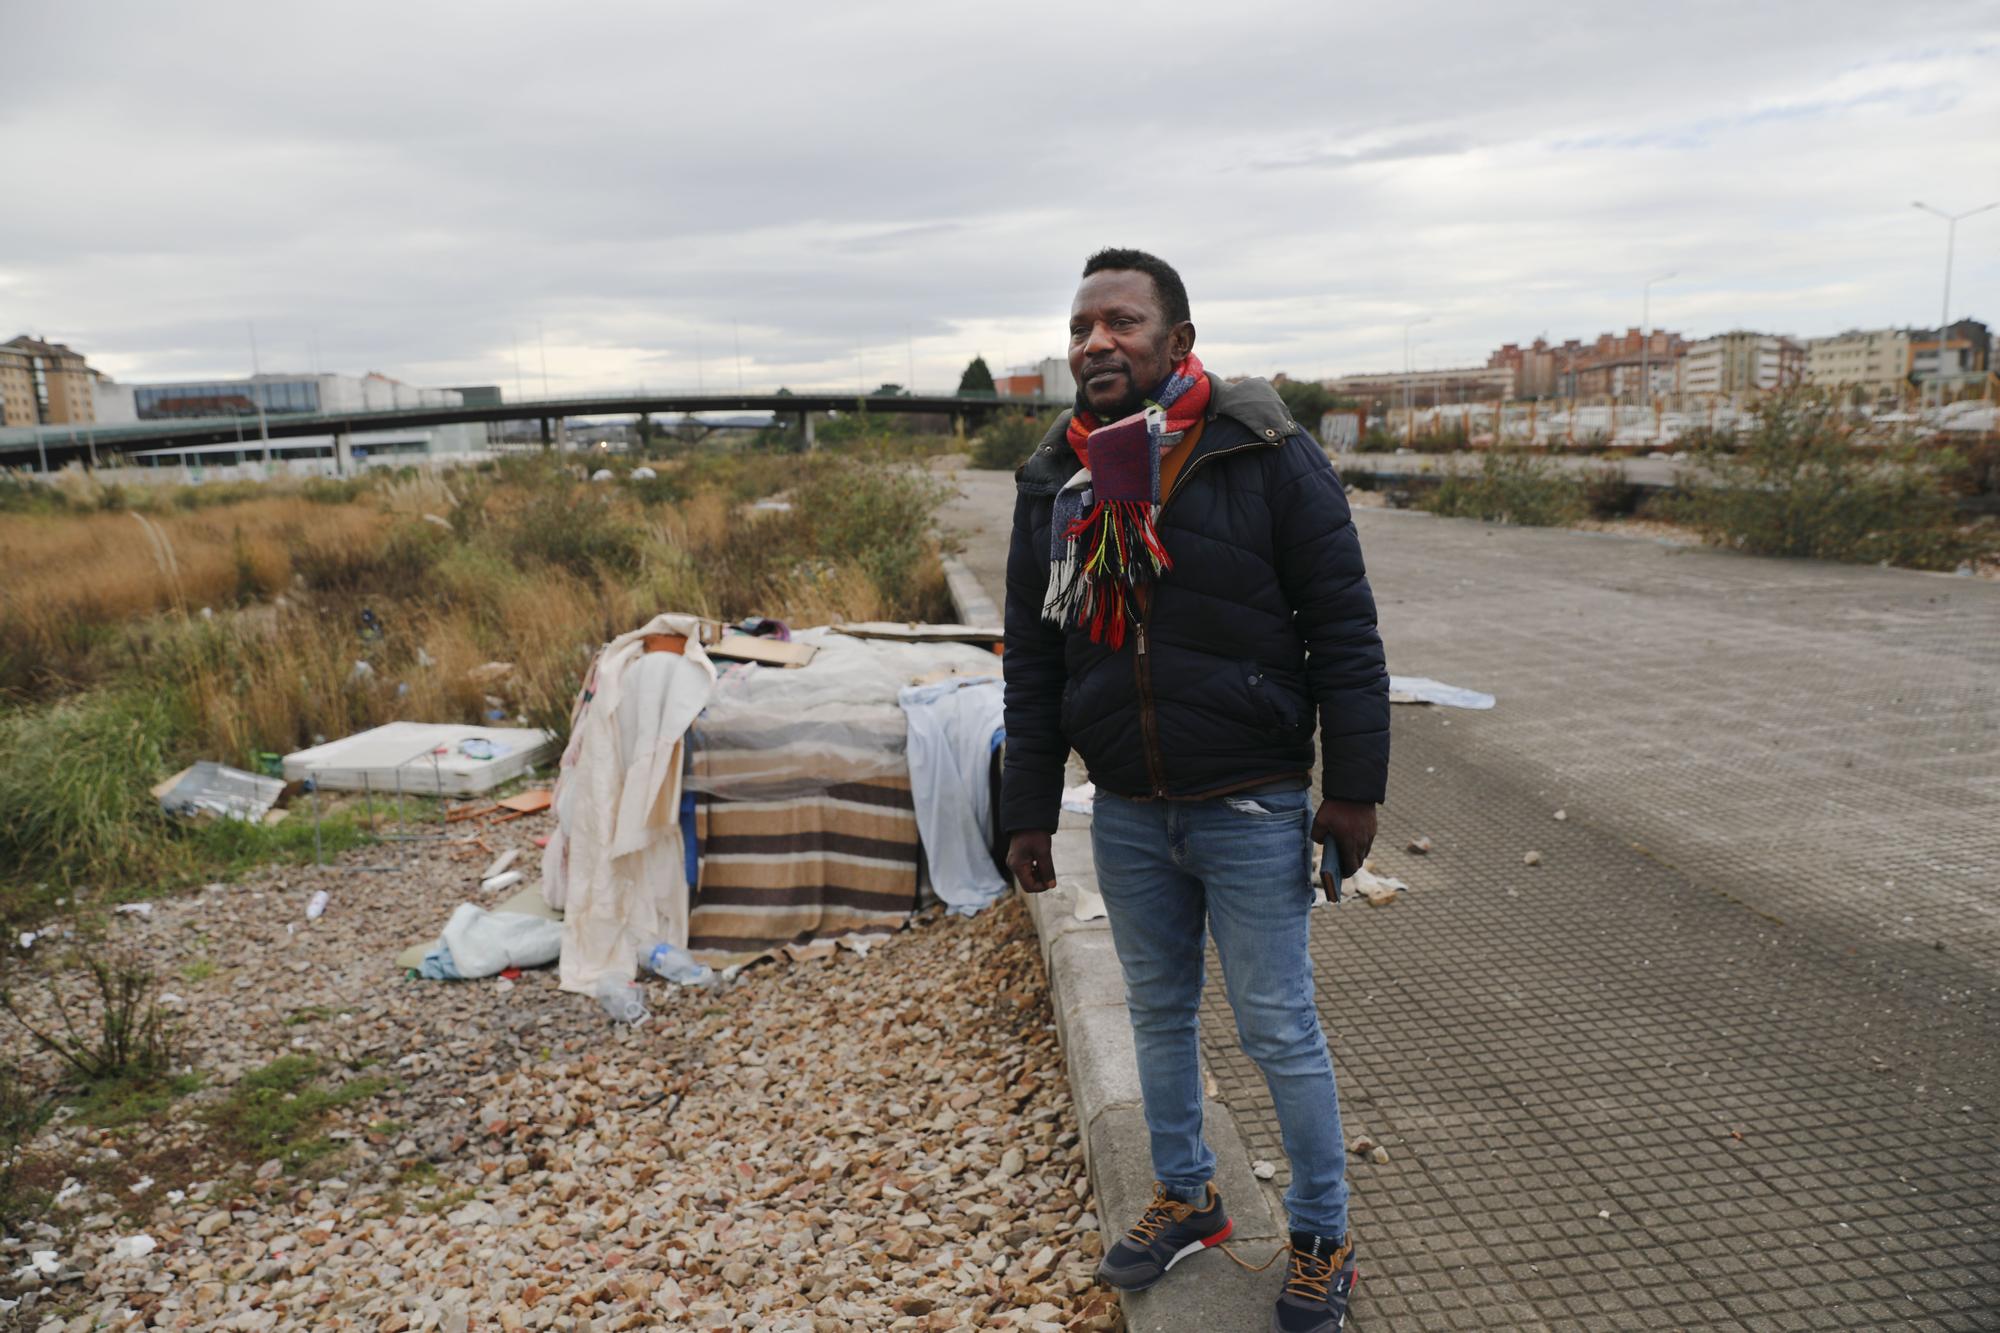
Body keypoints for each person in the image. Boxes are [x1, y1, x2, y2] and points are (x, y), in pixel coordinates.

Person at [1000, 248, 1388, 1333]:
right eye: (1081, 327)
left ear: (1176, 340)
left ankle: (1319, 1235)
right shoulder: (1055, 478)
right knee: (1157, 1013)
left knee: (1275, 1026)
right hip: (1125, 807)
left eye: (1120, 322)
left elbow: (1344, 633)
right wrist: (1024, 805)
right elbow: (1031, 659)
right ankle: (1187, 1193)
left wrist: (1351, 791)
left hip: (1251, 799)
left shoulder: (1262, 451)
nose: (1094, 343)